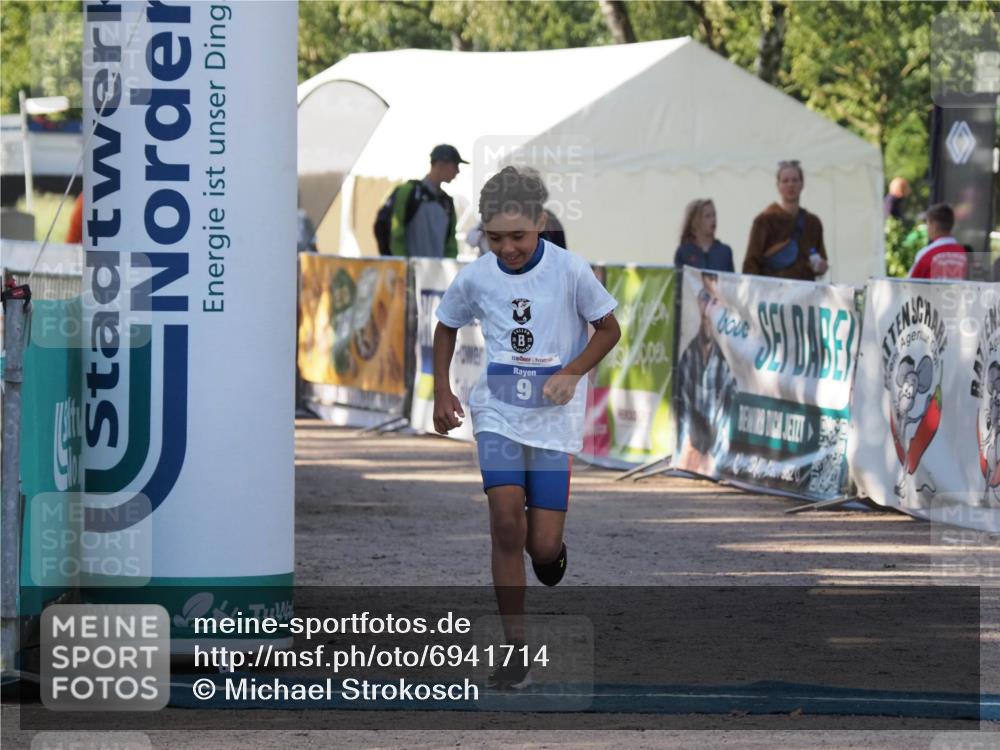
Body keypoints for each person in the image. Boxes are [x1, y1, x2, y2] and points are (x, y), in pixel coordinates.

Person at [432, 166, 620, 689]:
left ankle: (552, 553)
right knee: (505, 525)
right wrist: (443, 391)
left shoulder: (570, 270)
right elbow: (446, 323)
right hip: (497, 413)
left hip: (554, 422)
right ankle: (516, 650)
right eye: (495, 238)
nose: (508, 248)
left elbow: (608, 329)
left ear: (540, 221)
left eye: (518, 236)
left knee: (540, 546)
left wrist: (572, 371)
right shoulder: (476, 276)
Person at [675, 273, 736, 477]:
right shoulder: (688, 356)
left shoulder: (726, 364)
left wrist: (715, 456)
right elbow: (681, 411)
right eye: (704, 298)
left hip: (712, 458)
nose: (708, 308)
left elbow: (727, 420)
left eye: (715, 300)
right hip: (691, 453)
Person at [743, 160, 829, 281]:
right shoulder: (764, 221)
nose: (790, 185)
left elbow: (821, 258)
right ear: (778, 186)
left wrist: (821, 266)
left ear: (802, 184)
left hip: (805, 293)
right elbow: (750, 265)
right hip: (773, 294)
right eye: (785, 181)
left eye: (795, 180)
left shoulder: (813, 223)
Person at [387, 144, 466, 258]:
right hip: (410, 272)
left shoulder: (447, 202)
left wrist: (449, 267)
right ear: (440, 164)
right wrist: (404, 264)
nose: (457, 171)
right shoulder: (408, 191)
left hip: (438, 273)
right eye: (455, 165)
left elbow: (451, 242)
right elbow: (395, 231)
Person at [908, 203, 967, 280]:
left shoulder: (926, 254)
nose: (927, 228)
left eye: (927, 223)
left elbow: (910, 285)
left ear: (934, 226)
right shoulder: (966, 254)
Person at [673, 199, 734, 272]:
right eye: (707, 216)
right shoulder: (684, 252)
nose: (713, 220)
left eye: (714, 215)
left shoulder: (725, 251)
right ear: (695, 222)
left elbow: (731, 280)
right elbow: (679, 280)